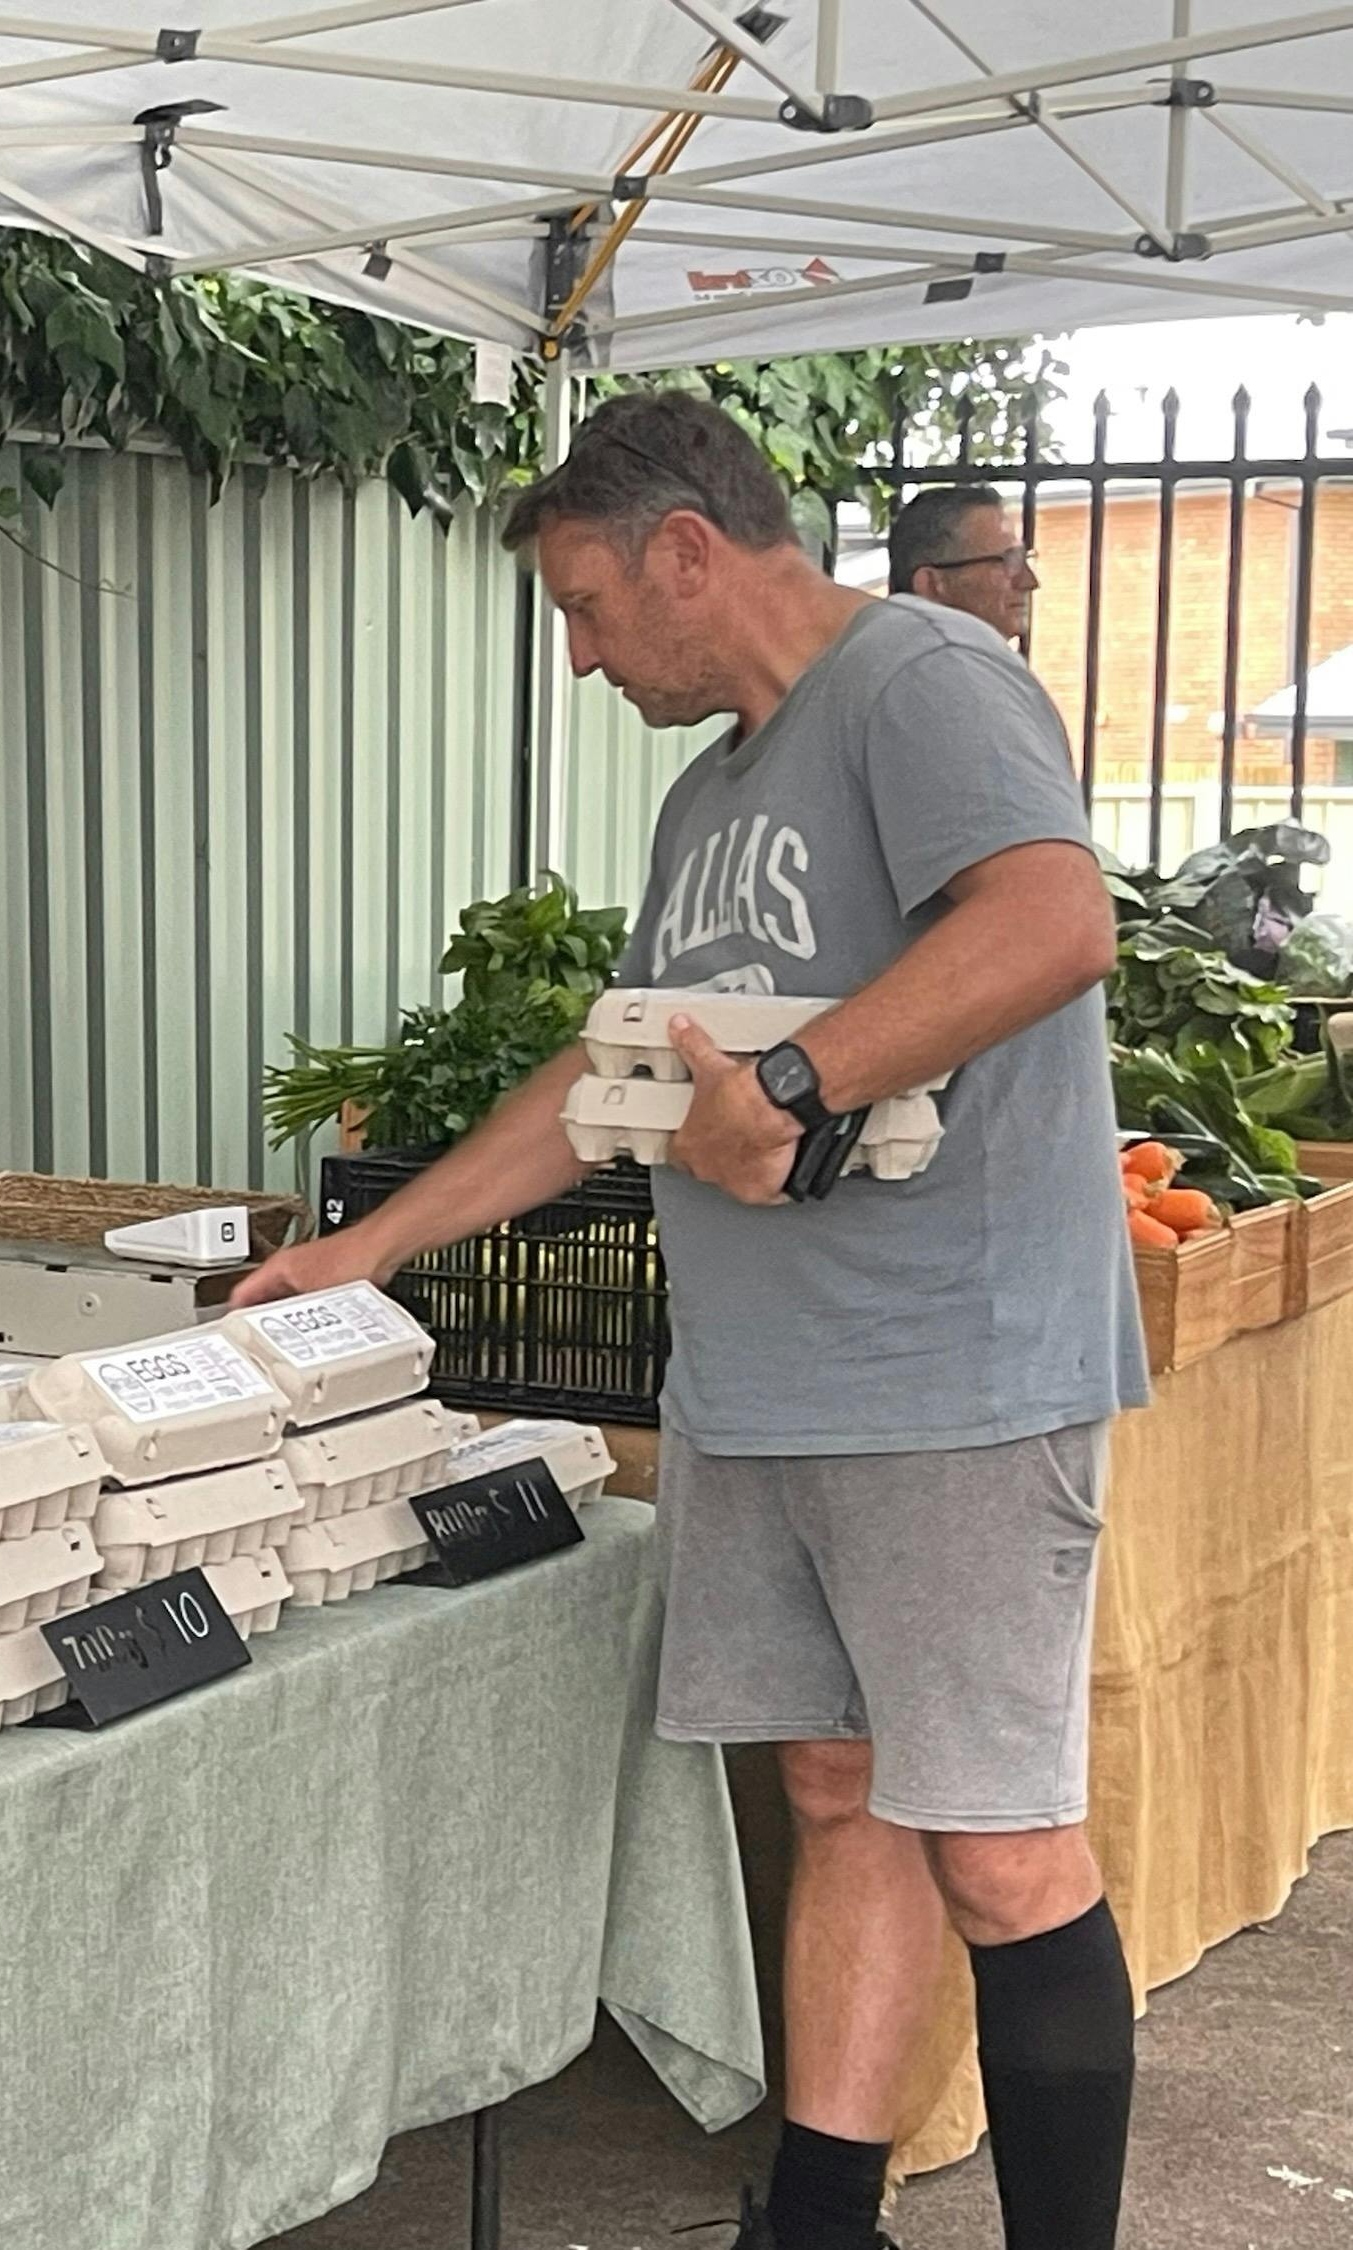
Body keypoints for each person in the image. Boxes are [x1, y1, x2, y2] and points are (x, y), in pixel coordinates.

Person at [239, 392, 1145, 2250]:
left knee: (999, 1848)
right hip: (764, 1385)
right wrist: (376, 1245)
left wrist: (801, 1080)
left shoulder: (925, 683)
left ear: (682, 551)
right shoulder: (716, 789)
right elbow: (609, 1066)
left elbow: (1055, 920)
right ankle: (814, 2226)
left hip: (951, 1378)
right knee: (838, 1794)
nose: (576, 656)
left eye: (582, 606)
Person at [884, 485, 1038, 643]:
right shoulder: (933, 665)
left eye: (1021, 559)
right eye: (1008, 562)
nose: (1029, 582)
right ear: (932, 584)